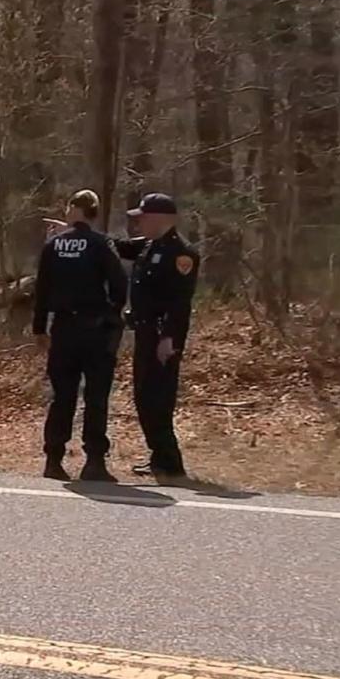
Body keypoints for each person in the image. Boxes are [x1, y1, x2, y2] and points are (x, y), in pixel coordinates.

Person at [32, 190, 128, 482]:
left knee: (62, 396)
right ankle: (94, 462)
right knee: (96, 396)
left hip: (62, 330)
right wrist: (112, 313)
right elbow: (119, 284)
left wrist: (39, 327)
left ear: (74, 211)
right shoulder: (101, 244)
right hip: (95, 329)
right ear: (95, 213)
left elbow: (42, 288)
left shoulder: (54, 245)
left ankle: (53, 460)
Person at [114, 193, 200, 480]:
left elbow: (179, 301)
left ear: (162, 219)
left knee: (158, 398)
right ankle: (159, 457)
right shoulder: (150, 246)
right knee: (144, 396)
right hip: (145, 332)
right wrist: (77, 232)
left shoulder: (181, 253)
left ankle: (170, 462)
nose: (139, 222)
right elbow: (119, 246)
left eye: (144, 217)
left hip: (163, 337)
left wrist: (168, 338)